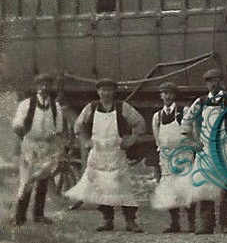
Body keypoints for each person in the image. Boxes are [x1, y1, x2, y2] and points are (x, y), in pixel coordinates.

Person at [67, 78, 146, 232]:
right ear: (98, 92)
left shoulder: (122, 107)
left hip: (116, 153)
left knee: (122, 187)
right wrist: (86, 141)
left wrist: (132, 139)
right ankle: (107, 220)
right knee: (102, 187)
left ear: (114, 92)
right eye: (103, 90)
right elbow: (78, 126)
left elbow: (140, 122)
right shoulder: (91, 108)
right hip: (98, 154)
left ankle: (130, 220)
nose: (106, 93)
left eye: (109, 90)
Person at [186, 68, 227, 234]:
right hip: (206, 148)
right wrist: (193, 140)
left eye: (216, 81)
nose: (213, 84)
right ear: (206, 84)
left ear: (221, 82)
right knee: (205, 185)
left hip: (224, 147)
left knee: (225, 186)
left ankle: (225, 224)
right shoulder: (201, 101)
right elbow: (186, 121)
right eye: (209, 82)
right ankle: (206, 224)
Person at [9, 72, 69, 227]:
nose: (44, 88)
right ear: (36, 86)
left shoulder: (55, 107)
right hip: (30, 145)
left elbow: (59, 129)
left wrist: (57, 148)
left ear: (51, 87)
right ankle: (19, 216)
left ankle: (39, 214)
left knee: (43, 180)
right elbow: (17, 125)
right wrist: (24, 139)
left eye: (47, 85)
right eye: (41, 85)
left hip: (47, 147)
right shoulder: (26, 104)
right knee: (27, 180)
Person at [149, 82, 199, 233]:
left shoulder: (184, 112)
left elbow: (194, 132)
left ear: (175, 95)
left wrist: (194, 146)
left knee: (187, 188)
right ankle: (175, 223)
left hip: (183, 155)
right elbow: (158, 139)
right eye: (164, 93)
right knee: (170, 189)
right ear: (161, 96)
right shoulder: (157, 116)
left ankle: (191, 224)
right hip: (167, 158)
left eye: (170, 93)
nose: (167, 96)